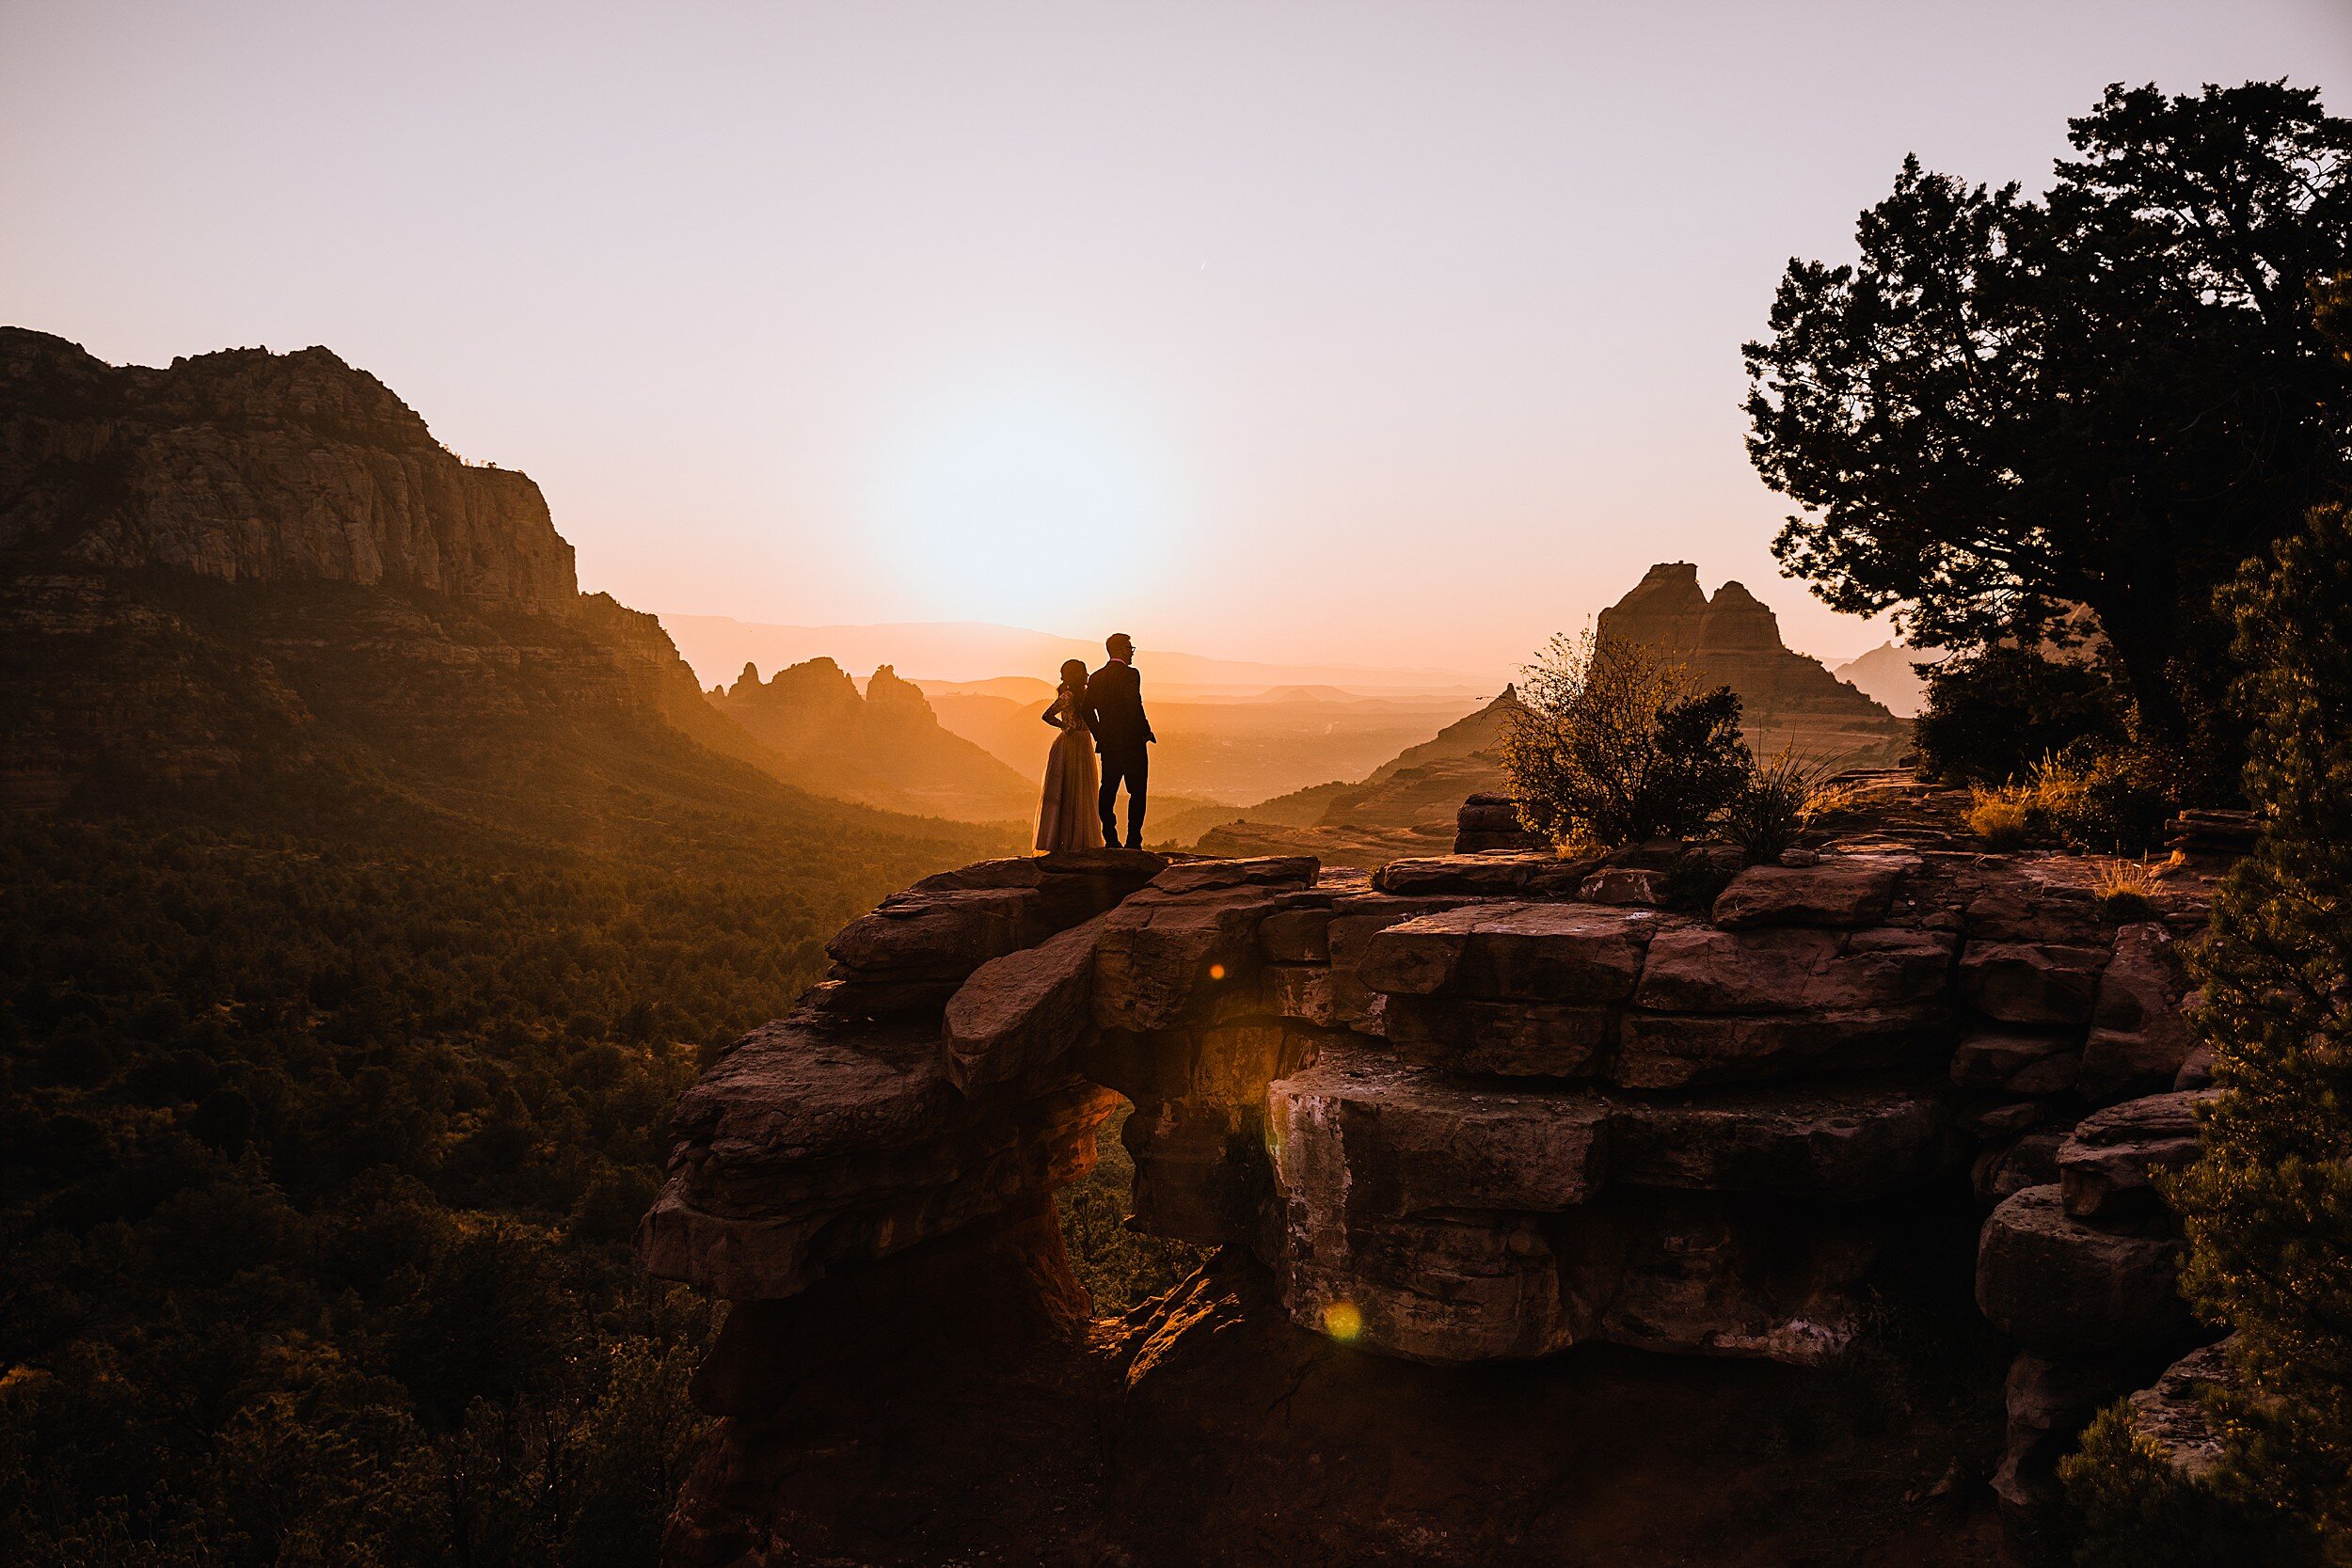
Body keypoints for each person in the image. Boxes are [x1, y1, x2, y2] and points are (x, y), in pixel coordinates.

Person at [1083, 632, 1154, 848]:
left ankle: (1111, 838)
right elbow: (1135, 705)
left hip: (1109, 744)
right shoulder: (1131, 674)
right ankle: (1134, 840)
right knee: (1137, 791)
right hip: (1132, 742)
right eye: (1130, 649)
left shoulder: (1096, 677)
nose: (1132, 654)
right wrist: (1145, 730)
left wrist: (1099, 734)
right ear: (1122, 649)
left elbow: (1086, 709)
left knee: (1108, 789)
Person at [1035, 658, 1105, 852]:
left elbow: (1047, 716)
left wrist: (1067, 726)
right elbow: (1047, 715)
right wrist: (1066, 727)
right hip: (1074, 743)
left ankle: (1070, 840)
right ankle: (1074, 841)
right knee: (1074, 789)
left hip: (1079, 742)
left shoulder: (1078, 696)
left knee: (1076, 790)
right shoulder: (1072, 696)